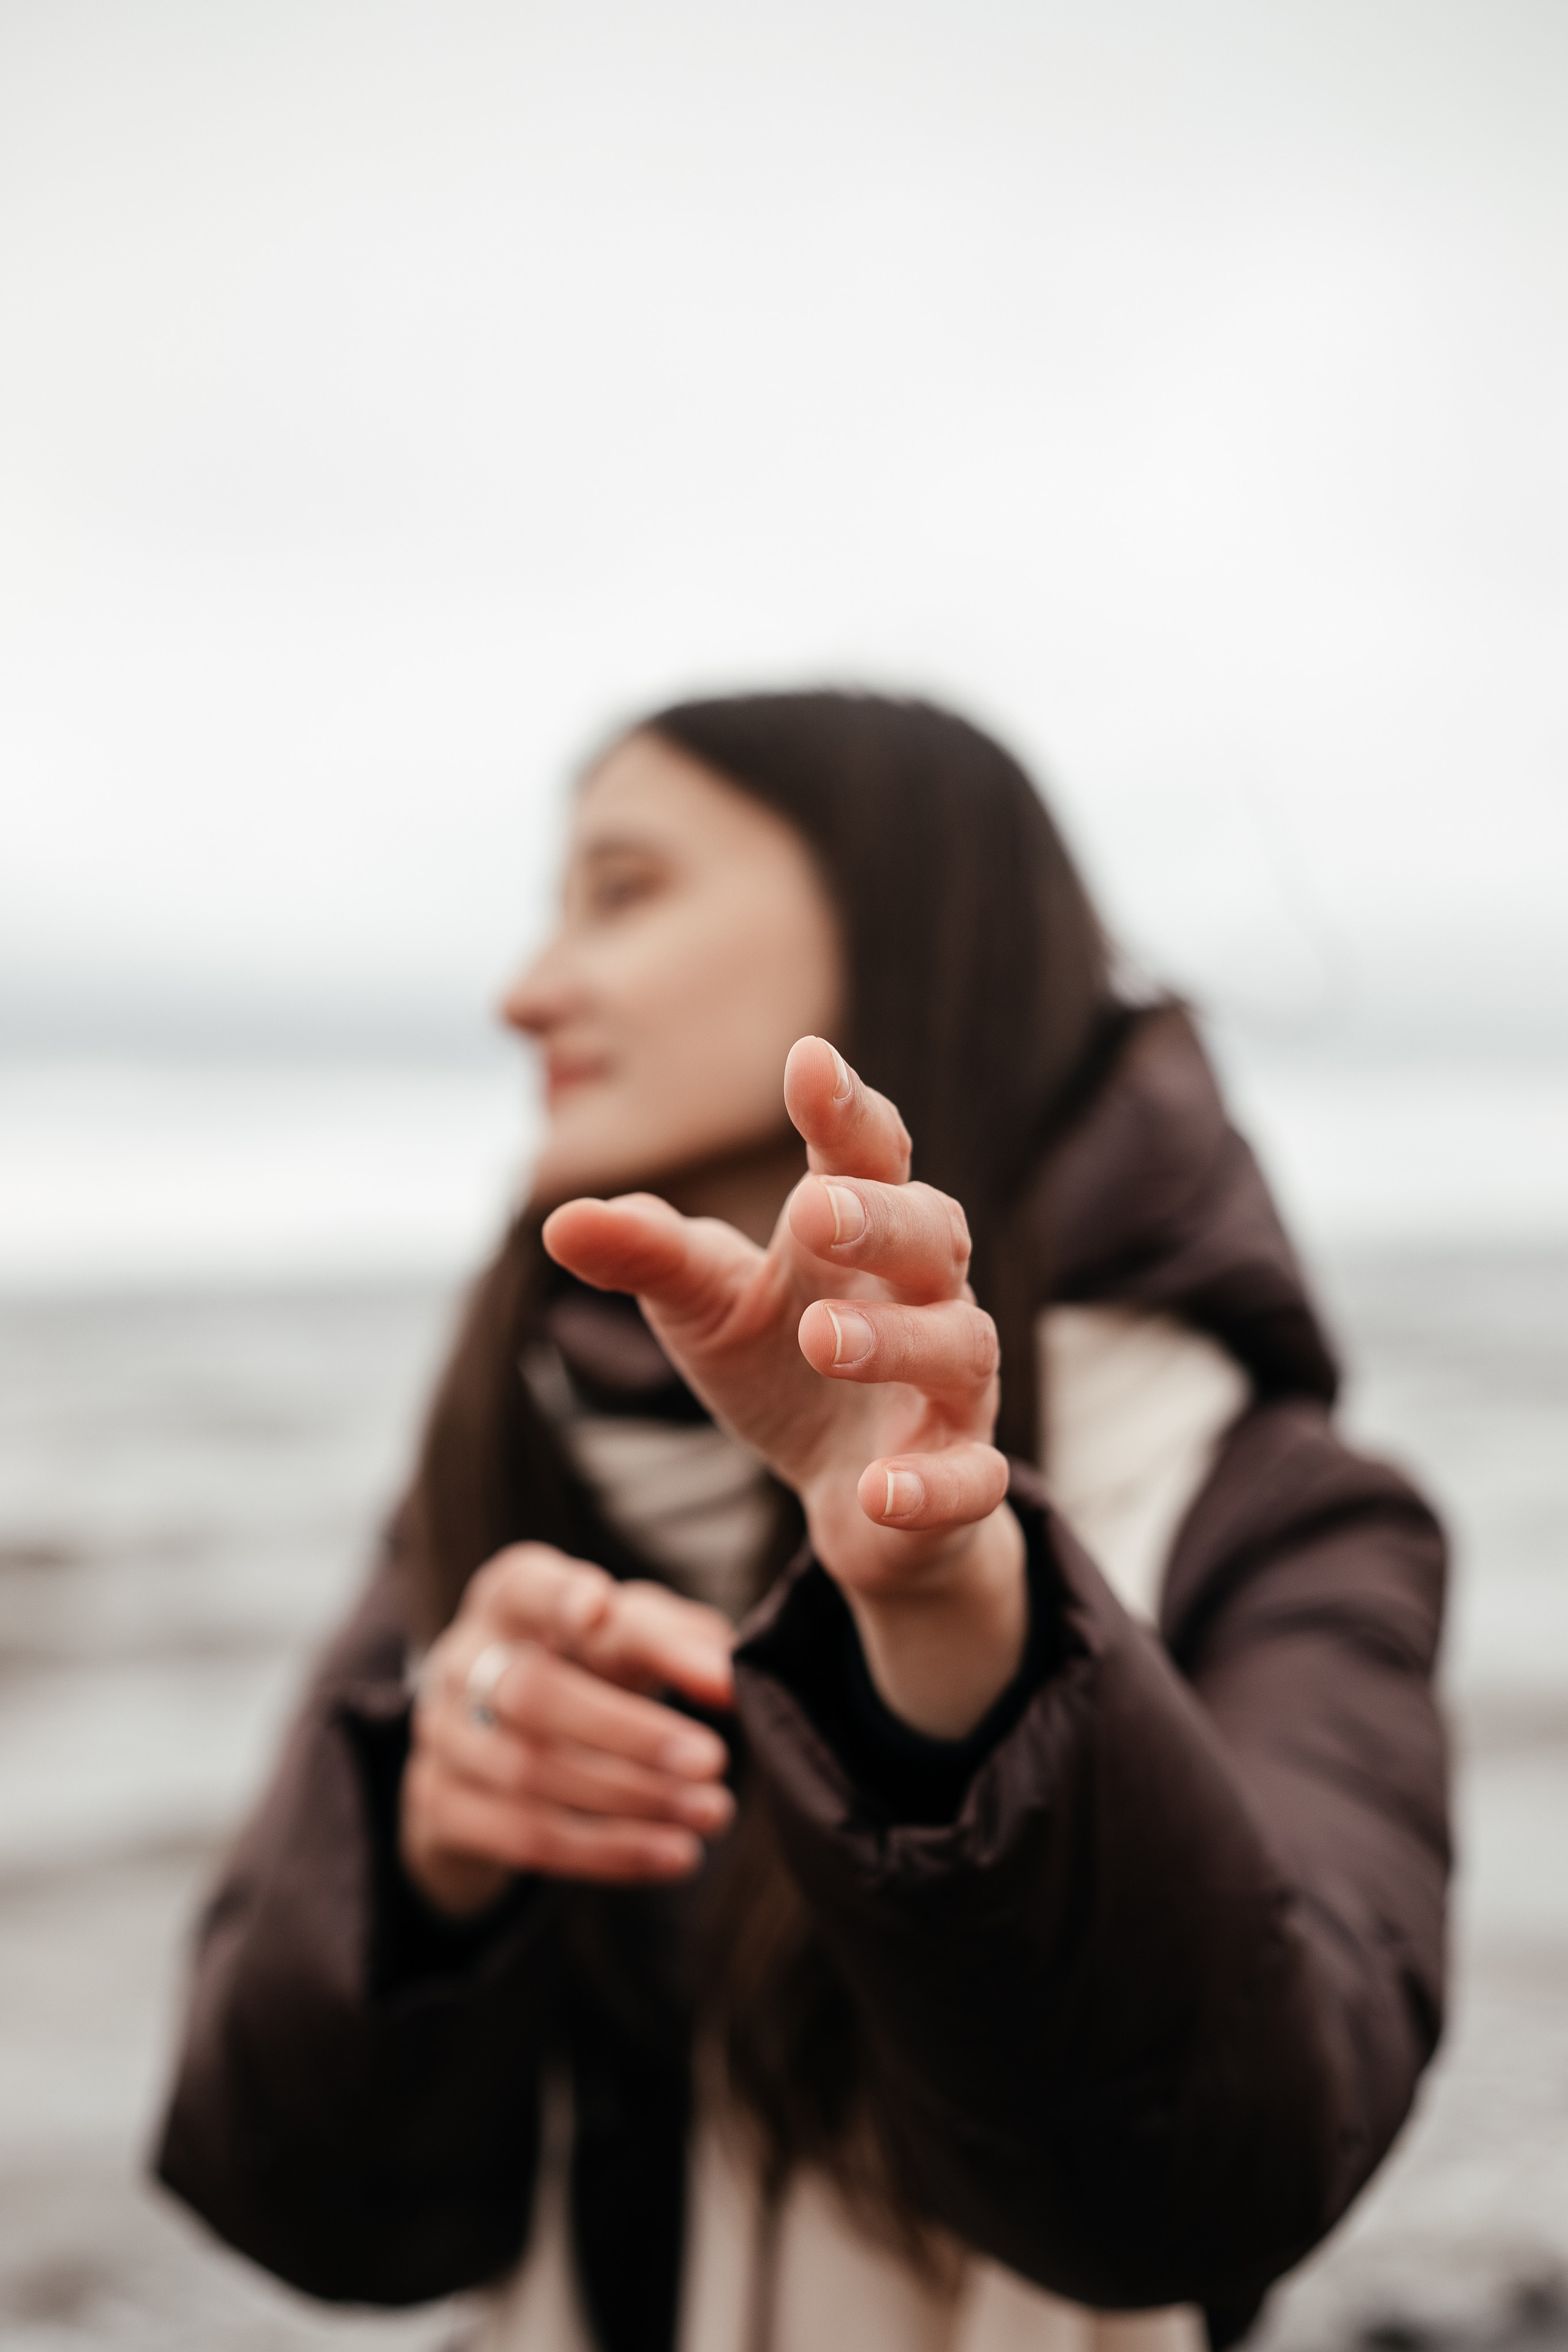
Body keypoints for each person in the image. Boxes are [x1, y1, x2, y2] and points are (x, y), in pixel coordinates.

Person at [155, 692, 1449, 2352]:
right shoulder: (496, 1462)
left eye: (620, 892)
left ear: (900, 920)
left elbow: (1224, 2177)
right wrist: (429, 1857)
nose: (524, 989)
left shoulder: (1289, 1517)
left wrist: (956, 1617)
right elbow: (293, 2203)